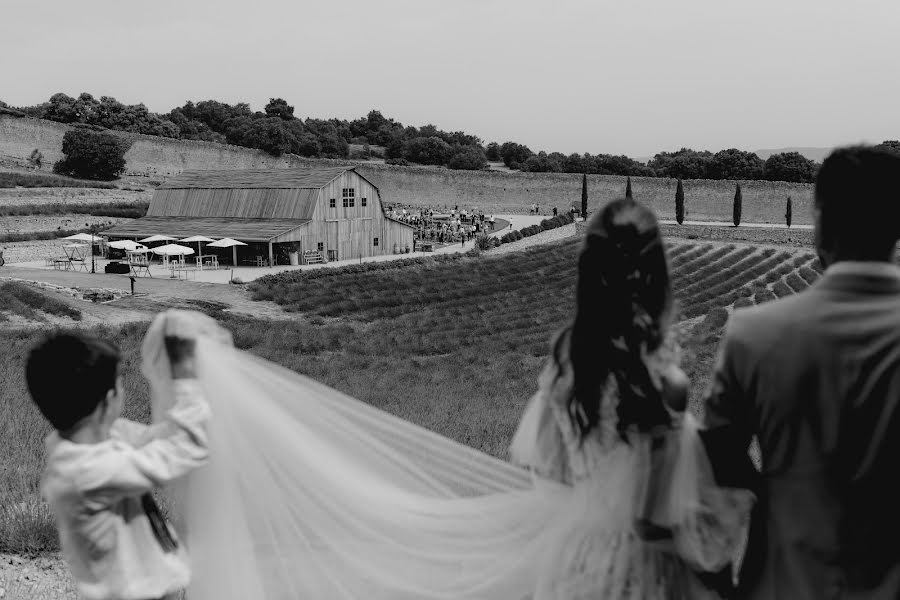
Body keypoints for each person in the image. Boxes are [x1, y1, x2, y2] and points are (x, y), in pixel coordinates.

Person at [139, 204, 751, 599]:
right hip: (641, 570)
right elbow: (652, 518)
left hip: (576, 560)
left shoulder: (568, 367)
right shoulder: (664, 385)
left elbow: (548, 470)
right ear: (656, 277)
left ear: (588, 275)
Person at [701, 145, 900, 599]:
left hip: (784, 581)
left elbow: (715, 457)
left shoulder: (753, 334)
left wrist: (770, 493)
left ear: (821, 223)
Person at [29, 315, 210, 600]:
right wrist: (185, 373)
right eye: (120, 384)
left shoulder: (94, 440)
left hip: (151, 584)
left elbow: (161, 438)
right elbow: (187, 448)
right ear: (108, 400)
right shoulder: (87, 469)